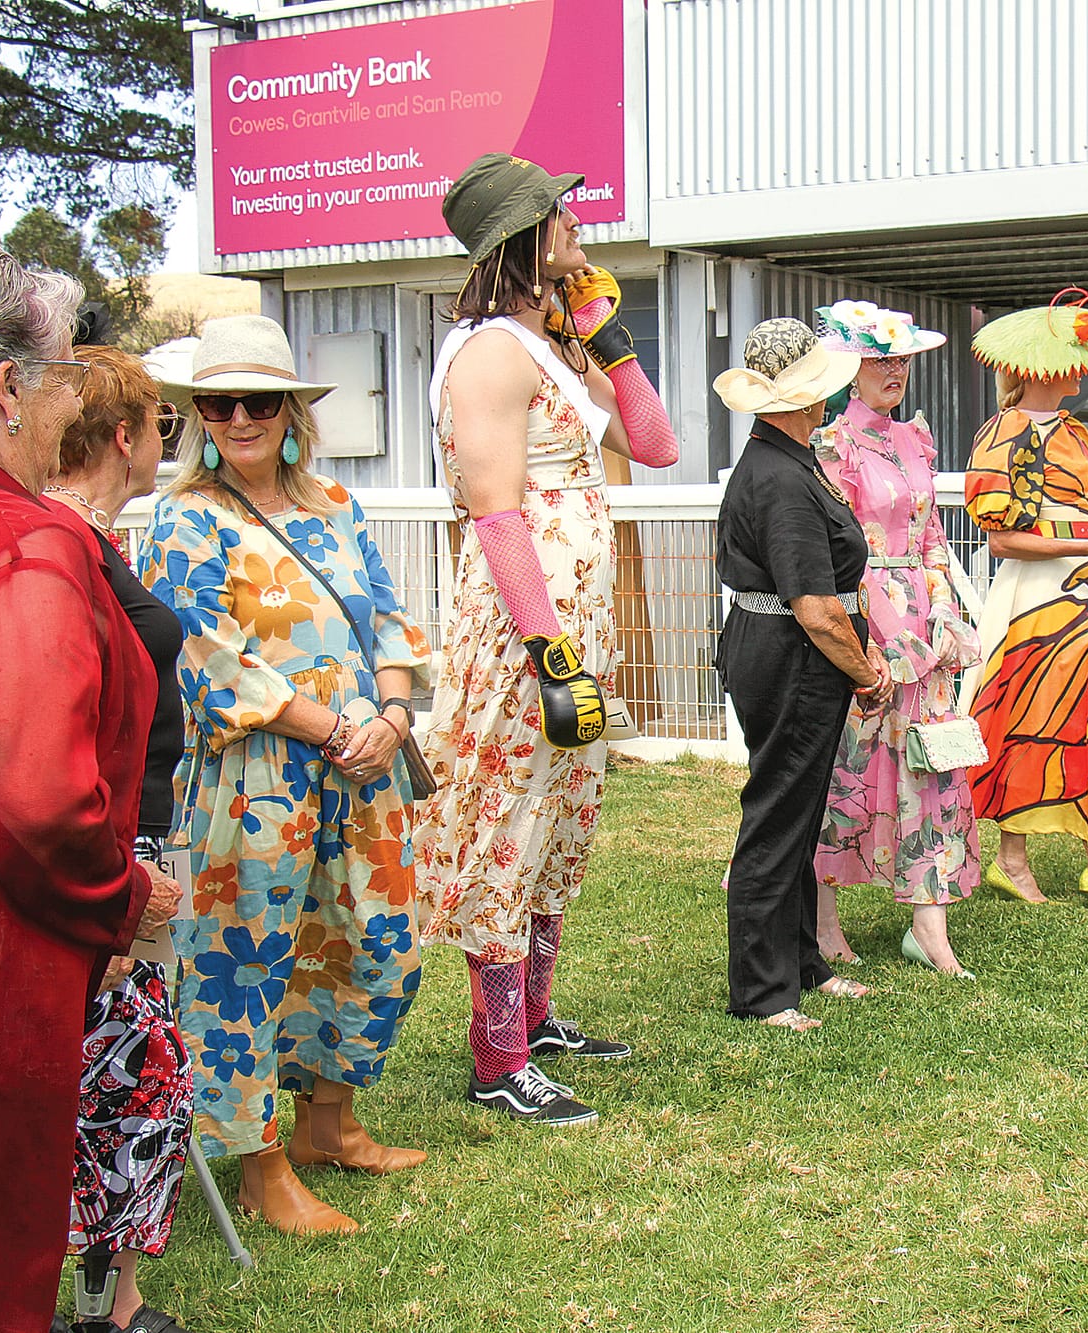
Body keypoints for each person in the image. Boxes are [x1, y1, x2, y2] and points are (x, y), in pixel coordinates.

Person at [0, 238, 174, 1330]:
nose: (72, 397)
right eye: (64, 370)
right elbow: (40, 801)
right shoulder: (21, 545)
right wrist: (128, 898)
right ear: (8, 387)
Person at [139, 315, 430, 1235]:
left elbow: (387, 616)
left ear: (291, 409)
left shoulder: (338, 506)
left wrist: (387, 717)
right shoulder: (186, 519)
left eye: (256, 399)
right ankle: (264, 1167)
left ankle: (328, 1126)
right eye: (217, 403)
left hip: (366, 767)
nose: (237, 417)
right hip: (254, 773)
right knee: (248, 963)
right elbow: (202, 657)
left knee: (379, 941)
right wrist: (328, 725)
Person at [417, 153, 671, 1125]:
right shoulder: (487, 352)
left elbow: (654, 444)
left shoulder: (548, 345)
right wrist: (548, 652)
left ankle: (538, 1016)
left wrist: (611, 339)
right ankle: (497, 1055)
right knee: (511, 827)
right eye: (557, 209)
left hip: (576, 627)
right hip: (531, 634)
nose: (575, 218)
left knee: (562, 819)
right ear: (521, 231)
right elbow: (494, 512)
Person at [47, 347, 196, 1333]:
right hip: (105, 850)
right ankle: (97, 1305)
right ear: (125, 437)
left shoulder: (92, 541)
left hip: (135, 837)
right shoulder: (61, 542)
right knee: (128, 1076)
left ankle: (110, 1299)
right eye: (162, 426)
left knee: (124, 1071)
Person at [715, 318, 885, 1030]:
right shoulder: (782, 477)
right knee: (779, 815)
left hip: (787, 652)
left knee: (798, 811)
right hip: (792, 656)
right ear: (807, 399)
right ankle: (762, 991)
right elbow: (815, 608)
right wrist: (866, 671)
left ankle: (799, 964)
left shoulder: (783, 458)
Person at [809, 300, 981, 979]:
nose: (896, 369)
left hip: (926, 625)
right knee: (844, 771)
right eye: (882, 357)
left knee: (931, 769)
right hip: (866, 622)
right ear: (850, 365)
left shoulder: (916, 439)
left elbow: (932, 533)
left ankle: (928, 926)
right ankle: (821, 919)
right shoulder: (833, 444)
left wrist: (943, 604)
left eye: (902, 357)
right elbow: (836, 549)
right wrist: (874, 634)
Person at [962, 293, 1088, 909]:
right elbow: (1000, 540)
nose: (1083, 364)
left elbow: (1086, 531)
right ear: (1046, 366)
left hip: (1081, 601)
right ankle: (1012, 860)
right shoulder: (1001, 435)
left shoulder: (1076, 435)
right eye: (1074, 355)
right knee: (1028, 721)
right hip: (1032, 602)